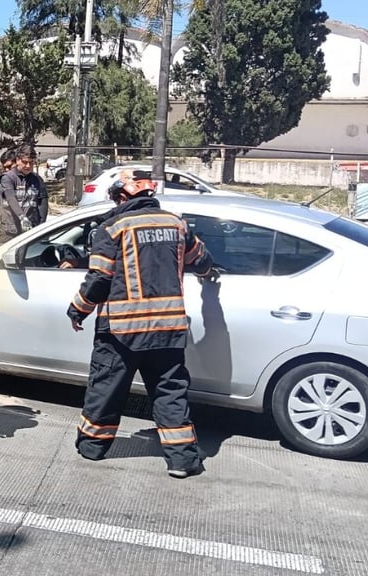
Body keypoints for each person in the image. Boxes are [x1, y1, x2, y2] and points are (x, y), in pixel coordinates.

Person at [65, 169, 220, 479]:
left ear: (124, 196)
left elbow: (98, 279)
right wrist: (207, 275)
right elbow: (201, 259)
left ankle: (92, 447)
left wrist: (78, 310)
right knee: (170, 392)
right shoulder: (176, 224)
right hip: (168, 330)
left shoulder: (112, 228)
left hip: (121, 332)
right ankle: (183, 461)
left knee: (106, 389)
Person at [0, 144, 47, 243]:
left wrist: (41, 226)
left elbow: (43, 201)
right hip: (10, 230)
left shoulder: (37, 179)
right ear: (17, 160)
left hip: (30, 230)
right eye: (25, 162)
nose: (28, 166)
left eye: (31, 163)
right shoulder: (7, 178)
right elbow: (11, 198)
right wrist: (22, 217)